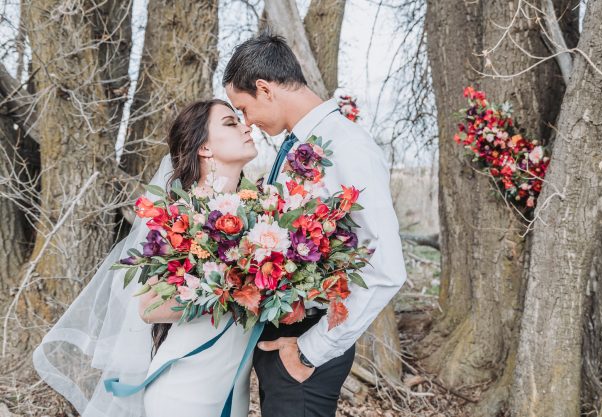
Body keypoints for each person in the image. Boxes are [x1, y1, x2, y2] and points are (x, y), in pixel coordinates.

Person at [33, 99, 258, 417]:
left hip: (233, 391)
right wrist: (236, 289)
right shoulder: (180, 218)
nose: (246, 127)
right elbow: (150, 307)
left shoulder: (262, 216)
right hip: (186, 391)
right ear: (204, 148)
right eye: (230, 123)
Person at [223, 33, 407, 417]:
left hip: (309, 339)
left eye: (243, 108)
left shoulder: (347, 145)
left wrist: (310, 350)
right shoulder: (298, 144)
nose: (247, 122)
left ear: (264, 89)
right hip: (283, 336)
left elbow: (387, 265)